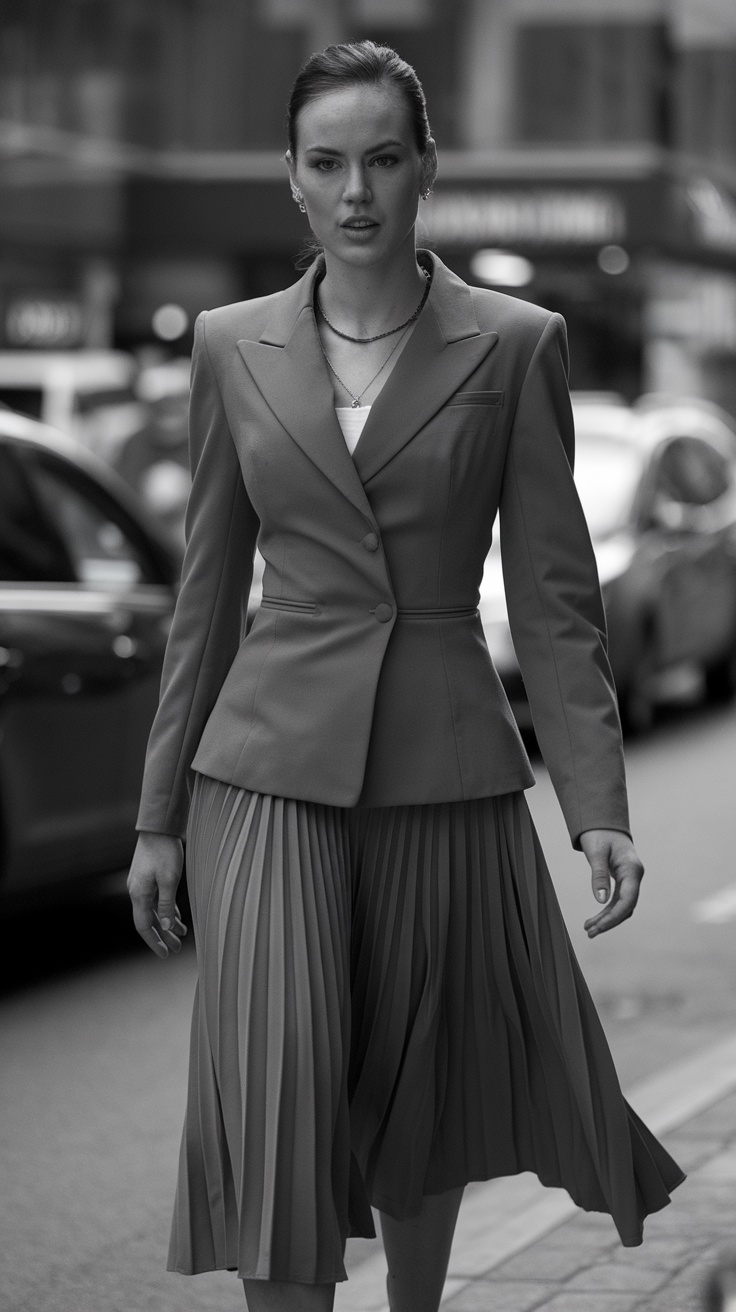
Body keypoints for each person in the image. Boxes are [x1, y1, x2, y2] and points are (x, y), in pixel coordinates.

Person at [127, 40, 684, 1312]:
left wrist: (595, 806)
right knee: (277, 1098)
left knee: (419, 1090)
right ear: (291, 179)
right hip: (265, 774)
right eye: (328, 164)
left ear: (426, 165)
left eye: (383, 158)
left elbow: (553, 601)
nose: (357, 191)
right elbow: (205, 601)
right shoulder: (228, 345)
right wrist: (158, 817)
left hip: (446, 766)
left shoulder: (514, 343)